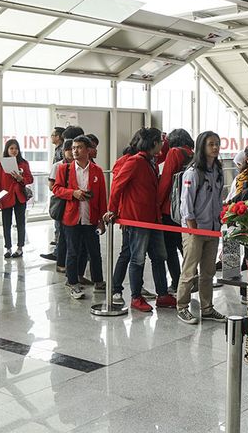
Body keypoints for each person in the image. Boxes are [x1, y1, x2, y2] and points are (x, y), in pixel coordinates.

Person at [105, 127, 173, 313]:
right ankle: (136, 297)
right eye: (160, 140)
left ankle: (162, 294)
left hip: (153, 219)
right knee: (137, 259)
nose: (162, 144)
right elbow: (117, 185)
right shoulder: (134, 162)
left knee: (159, 257)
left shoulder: (150, 161)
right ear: (153, 143)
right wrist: (112, 210)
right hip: (137, 220)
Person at [176, 131, 226, 325]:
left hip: (213, 228)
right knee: (189, 271)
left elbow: (218, 199)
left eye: (217, 144)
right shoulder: (193, 172)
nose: (215, 148)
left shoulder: (218, 171)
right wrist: (193, 229)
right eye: (211, 144)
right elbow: (186, 205)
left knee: (208, 272)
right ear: (202, 147)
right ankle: (182, 306)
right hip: (195, 229)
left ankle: (207, 307)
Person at [53, 136, 107, 299]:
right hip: (71, 217)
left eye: (79, 147)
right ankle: (72, 282)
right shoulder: (65, 169)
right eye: (74, 148)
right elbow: (56, 188)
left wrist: (101, 220)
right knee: (73, 251)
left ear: (88, 150)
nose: (75, 150)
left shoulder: (97, 170)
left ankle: (98, 281)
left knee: (94, 251)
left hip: (90, 217)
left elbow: (101, 197)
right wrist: (73, 193)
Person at [157, 128, 194, 295]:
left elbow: (166, 180)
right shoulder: (193, 154)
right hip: (189, 209)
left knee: (170, 249)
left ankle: (177, 281)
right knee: (186, 247)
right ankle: (193, 279)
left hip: (170, 210)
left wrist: (157, 203)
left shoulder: (175, 152)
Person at [0, 139, 33, 259]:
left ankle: (20, 247)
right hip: (6, 197)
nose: (14, 151)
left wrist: (21, 178)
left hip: (20, 196)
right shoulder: (0, 164)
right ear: (7, 149)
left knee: (21, 223)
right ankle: (8, 248)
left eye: (16, 148)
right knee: (6, 224)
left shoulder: (23, 163)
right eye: (11, 148)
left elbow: (30, 179)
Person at [41, 140, 74, 267]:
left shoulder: (79, 165)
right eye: (69, 149)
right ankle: (61, 260)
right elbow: (51, 186)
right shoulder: (58, 166)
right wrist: (68, 190)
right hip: (61, 203)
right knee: (61, 232)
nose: (72, 152)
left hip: (73, 204)